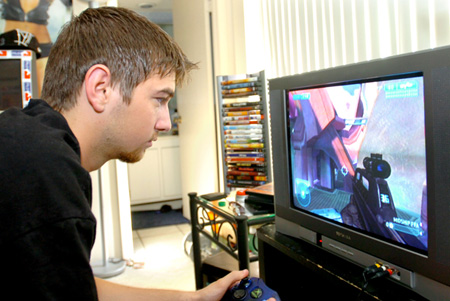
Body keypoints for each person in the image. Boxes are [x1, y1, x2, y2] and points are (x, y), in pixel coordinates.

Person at [0, 6, 249, 300]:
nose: (166, 123)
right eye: (159, 99)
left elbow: (77, 284)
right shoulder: (47, 174)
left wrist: (190, 299)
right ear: (101, 88)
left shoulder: (27, 136)